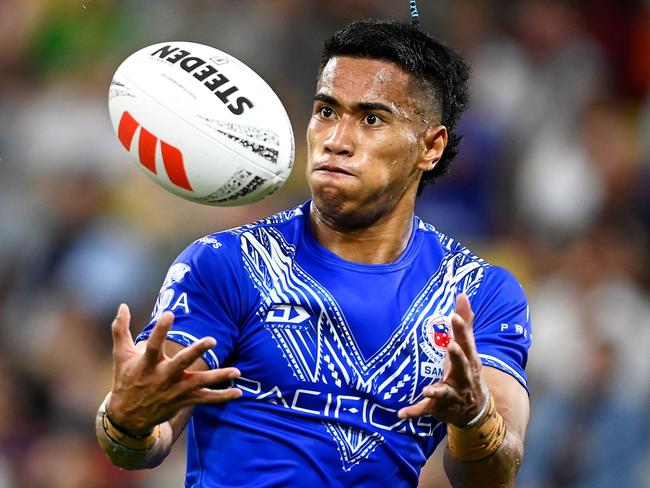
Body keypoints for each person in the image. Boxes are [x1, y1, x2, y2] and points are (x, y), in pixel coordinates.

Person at [96, 18, 531, 488]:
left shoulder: (478, 295)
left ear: (430, 146)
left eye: (371, 119)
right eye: (326, 111)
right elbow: (143, 444)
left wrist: (473, 417)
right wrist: (126, 419)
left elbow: (496, 474)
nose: (337, 140)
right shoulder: (229, 262)